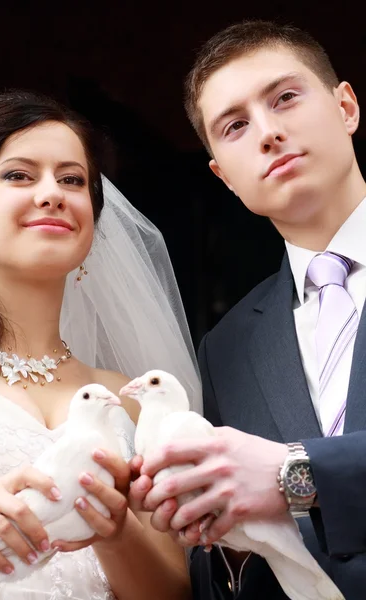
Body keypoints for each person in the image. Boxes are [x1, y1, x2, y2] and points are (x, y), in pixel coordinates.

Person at [129, 20, 366, 599]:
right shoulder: (227, 346)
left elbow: (284, 478)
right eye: (234, 127)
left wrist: (296, 474)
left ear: (346, 107)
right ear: (223, 175)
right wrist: (213, 533)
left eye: (285, 98)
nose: (267, 132)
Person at [0, 91, 201, 599]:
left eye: (72, 180)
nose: (52, 194)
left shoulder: (133, 398)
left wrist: (115, 533)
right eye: (19, 175)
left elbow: (176, 592)